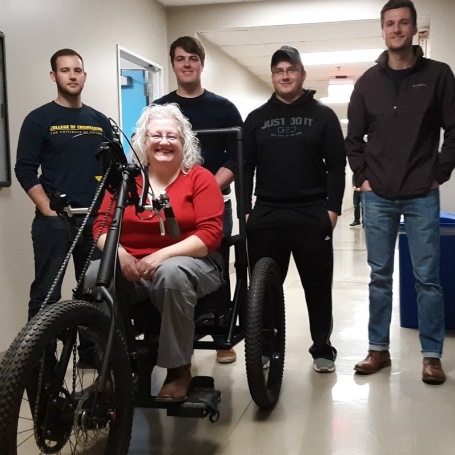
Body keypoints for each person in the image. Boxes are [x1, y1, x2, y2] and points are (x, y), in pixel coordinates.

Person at [346, 0, 455, 384]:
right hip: (378, 196)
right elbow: (353, 138)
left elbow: (453, 130)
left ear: (412, 28)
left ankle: (431, 355)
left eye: (403, 22)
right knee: (379, 275)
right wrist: (363, 179)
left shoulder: (439, 75)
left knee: (427, 276)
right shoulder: (366, 83)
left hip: (421, 194)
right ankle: (378, 351)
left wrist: (438, 173)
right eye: (390, 23)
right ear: (383, 30)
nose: (396, 29)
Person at [91, 103, 224, 402]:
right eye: (156, 135)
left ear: (183, 142)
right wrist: (120, 253)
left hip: (193, 263)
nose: (164, 142)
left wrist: (161, 256)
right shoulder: (126, 180)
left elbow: (210, 234)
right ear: (143, 141)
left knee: (170, 272)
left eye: (172, 136)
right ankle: (116, 368)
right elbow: (100, 225)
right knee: (93, 276)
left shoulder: (199, 178)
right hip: (133, 266)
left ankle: (179, 371)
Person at [244, 46, 346, 373]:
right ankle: (265, 347)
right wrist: (245, 212)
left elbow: (336, 166)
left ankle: (322, 349)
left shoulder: (324, 116)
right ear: (272, 76)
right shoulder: (256, 118)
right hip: (267, 214)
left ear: (302, 74)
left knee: (318, 288)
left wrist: (332, 211)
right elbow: (245, 167)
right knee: (264, 291)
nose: (285, 76)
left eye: (291, 69)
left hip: (311, 213)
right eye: (279, 71)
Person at [154, 36, 243, 364]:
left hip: (215, 202)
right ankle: (168, 331)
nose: (187, 64)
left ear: (202, 64)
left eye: (193, 58)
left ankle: (222, 337)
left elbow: (237, 157)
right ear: (173, 65)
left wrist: (206, 187)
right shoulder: (161, 110)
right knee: (167, 264)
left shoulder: (223, 108)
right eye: (180, 59)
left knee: (215, 265)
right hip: (168, 204)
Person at [15, 48, 112, 321]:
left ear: (85, 76)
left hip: (94, 221)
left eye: (77, 70)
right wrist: (46, 207)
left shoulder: (99, 121)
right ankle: (41, 362)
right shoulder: (39, 119)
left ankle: (92, 355)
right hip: (56, 221)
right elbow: (24, 168)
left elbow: (113, 171)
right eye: (65, 70)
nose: (72, 76)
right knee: (47, 293)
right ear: (53, 75)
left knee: (93, 292)